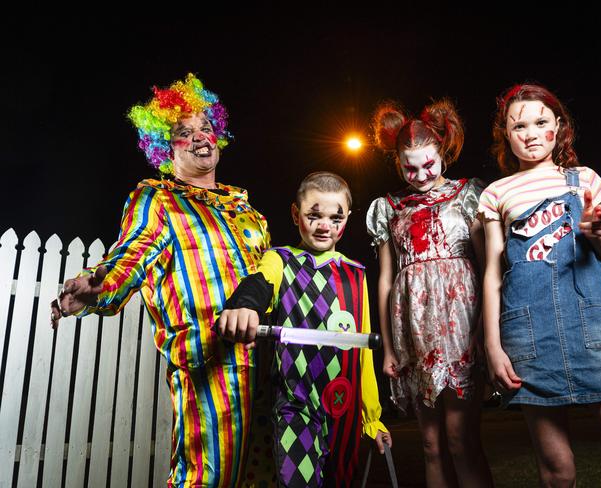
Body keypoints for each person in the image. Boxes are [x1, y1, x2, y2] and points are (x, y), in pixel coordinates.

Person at [50, 73, 271, 487]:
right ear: (165, 148)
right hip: (209, 365)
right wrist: (97, 285)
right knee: (207, 479)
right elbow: (132, 252)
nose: (201, 137)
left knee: (268, 478)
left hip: (270, 362)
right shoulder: (158, 198)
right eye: (184, 133)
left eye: (206, 127)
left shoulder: (248, 212)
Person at [479, 83, 601, 486]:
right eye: (518, 125)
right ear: (506, 134)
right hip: (530, 334)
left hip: (596, 327)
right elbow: (491, 273)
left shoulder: (584, 179)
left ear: (559, 125)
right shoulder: (496, 194)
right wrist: (492, 347)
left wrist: (600, 233)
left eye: (541, 121)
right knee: (557, 471)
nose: (531, 132)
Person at [218, 171, 392, 487]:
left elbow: (361, 356)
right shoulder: (280, 260)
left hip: (344, 408)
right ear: (296, 214)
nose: (325, 225)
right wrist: (244, 305)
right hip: (294, 403)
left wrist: (372, 417)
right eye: (314, 215)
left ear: (347, 219)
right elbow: (260, 282)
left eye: (334, 218)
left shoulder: (355, 275)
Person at [367, 99, 493, 487]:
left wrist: (487, 333)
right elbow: (386, 280)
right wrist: (389, 347)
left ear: (443, 154)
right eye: (410, 167)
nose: (420, 174)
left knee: (460, 439)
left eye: (428, 164)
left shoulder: (467, 194)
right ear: (397, 162)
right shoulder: (388, 208)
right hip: (413, 332)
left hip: (461, 326)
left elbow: (489, 266)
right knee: (429, 444)